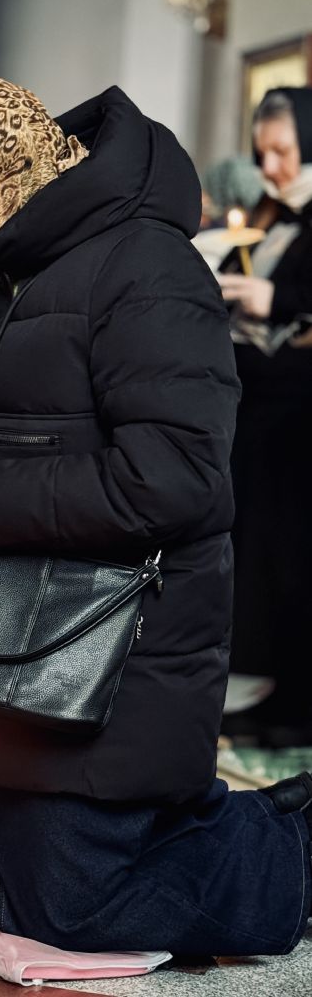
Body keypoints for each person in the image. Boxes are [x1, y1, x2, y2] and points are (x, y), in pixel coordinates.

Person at [0, 73, 312, 955]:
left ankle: (293, 846)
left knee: (70, 911)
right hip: (7, 637)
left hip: (112, 641)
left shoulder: (146, 266)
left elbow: (177, 478)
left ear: (7, 170)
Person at [218, 87, 312, 746]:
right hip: (252, 406)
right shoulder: (268, 213)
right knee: (254, 555)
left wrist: (270, 296)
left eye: (282, 150)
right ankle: (261, 689)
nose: (270, 167)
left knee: (290, 557)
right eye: (262, 153)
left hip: (298, 413)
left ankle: (293, 706)